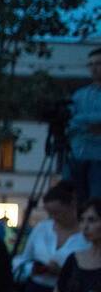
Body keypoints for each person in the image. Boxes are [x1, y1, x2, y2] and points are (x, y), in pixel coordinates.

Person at [66, 47, 101, 200]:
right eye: (91, 64)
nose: (94, 68)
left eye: (98, 63)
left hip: (99, 159)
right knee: (74, 200)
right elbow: (70, 122)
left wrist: (82, 121)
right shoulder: (80, 95)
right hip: (78, 155)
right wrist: (89, 123)